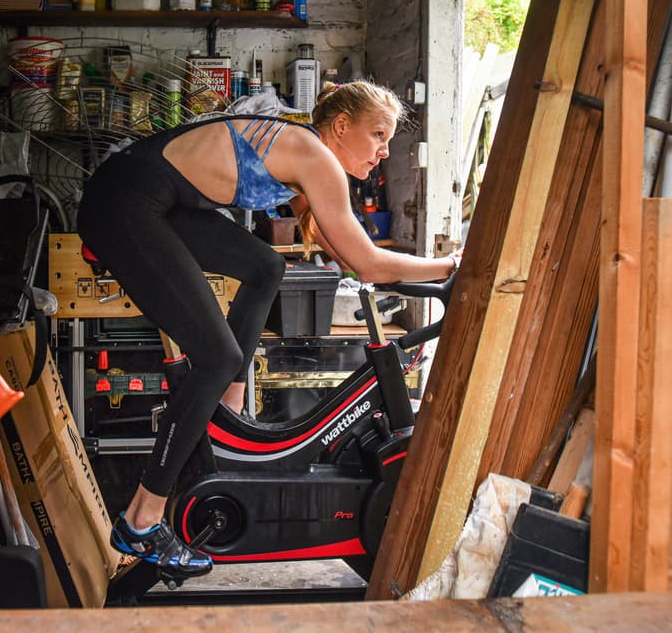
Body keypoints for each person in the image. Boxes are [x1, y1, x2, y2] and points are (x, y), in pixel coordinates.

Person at [76, 80, 460, 579]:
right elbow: (367, 264)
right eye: (379, 135)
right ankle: (141, 520)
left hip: (162, 203)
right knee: (217, 356)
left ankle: (228, 412)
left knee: (264, 267)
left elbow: (339, 248)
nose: (385, 152)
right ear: (341, 127)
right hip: (125, 203)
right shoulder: (314, 154)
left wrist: (422, 274)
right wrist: (449, 265)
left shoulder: (310, 159)